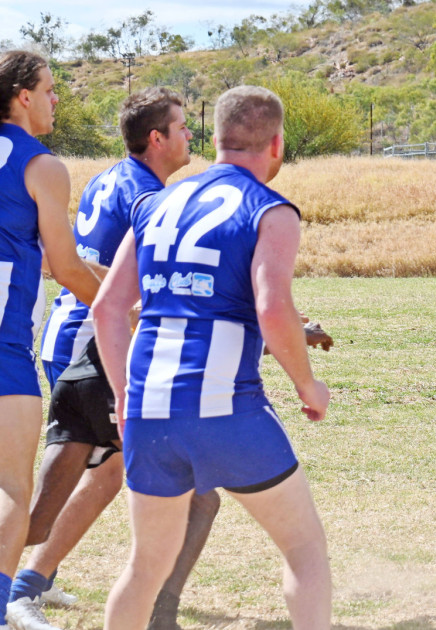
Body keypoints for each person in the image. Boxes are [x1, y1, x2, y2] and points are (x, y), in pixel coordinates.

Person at [91, 85, 332, 630]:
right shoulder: (271, 209)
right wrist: (307, 386)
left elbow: (107, 311)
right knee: (304, 550)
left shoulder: (154, 202)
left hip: (151, 412)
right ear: (277, 145)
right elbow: (273, 311)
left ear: (216, 138)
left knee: (144, 566)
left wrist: (127, 398)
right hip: (228, 408)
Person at [0, 50, 103, 629]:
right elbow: (64, 267)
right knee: (12, 488)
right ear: (22, 96)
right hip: (4, 349)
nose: (55, 98)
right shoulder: (41, 164)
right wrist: (122, 314)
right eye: (49, 88)